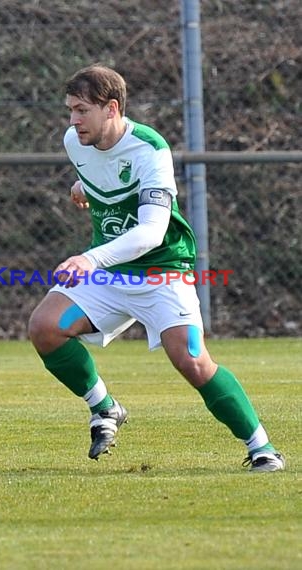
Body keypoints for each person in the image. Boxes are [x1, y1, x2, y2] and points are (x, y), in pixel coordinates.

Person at [28, 64, 284, 472]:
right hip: (112, 277)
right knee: (45, 327)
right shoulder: (75, 142)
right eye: (70, 111)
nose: (73, 120)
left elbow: (150, 231)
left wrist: (89, 258)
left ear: (111, 108)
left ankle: (261, 447)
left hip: (162, 271)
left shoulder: (150, 149)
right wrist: (84, 189)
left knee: (192, 359)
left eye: (81, 110)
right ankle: (105, 408)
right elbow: (100, 178)